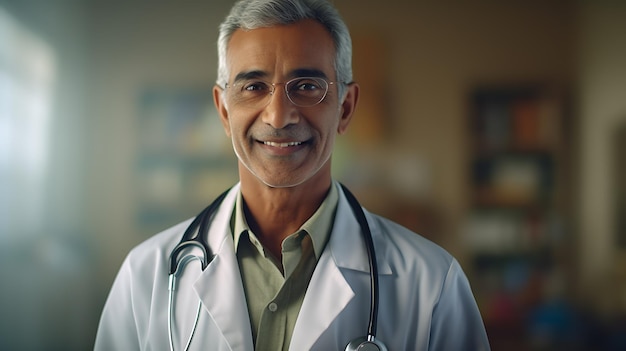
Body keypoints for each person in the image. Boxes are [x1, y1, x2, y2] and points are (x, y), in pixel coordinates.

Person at [94, 0, 490, 350]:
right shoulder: (145, 276)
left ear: (346, 108)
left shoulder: (432, 284)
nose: (279, 116)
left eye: (306, 86)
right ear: (223, 110)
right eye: (253, 86)